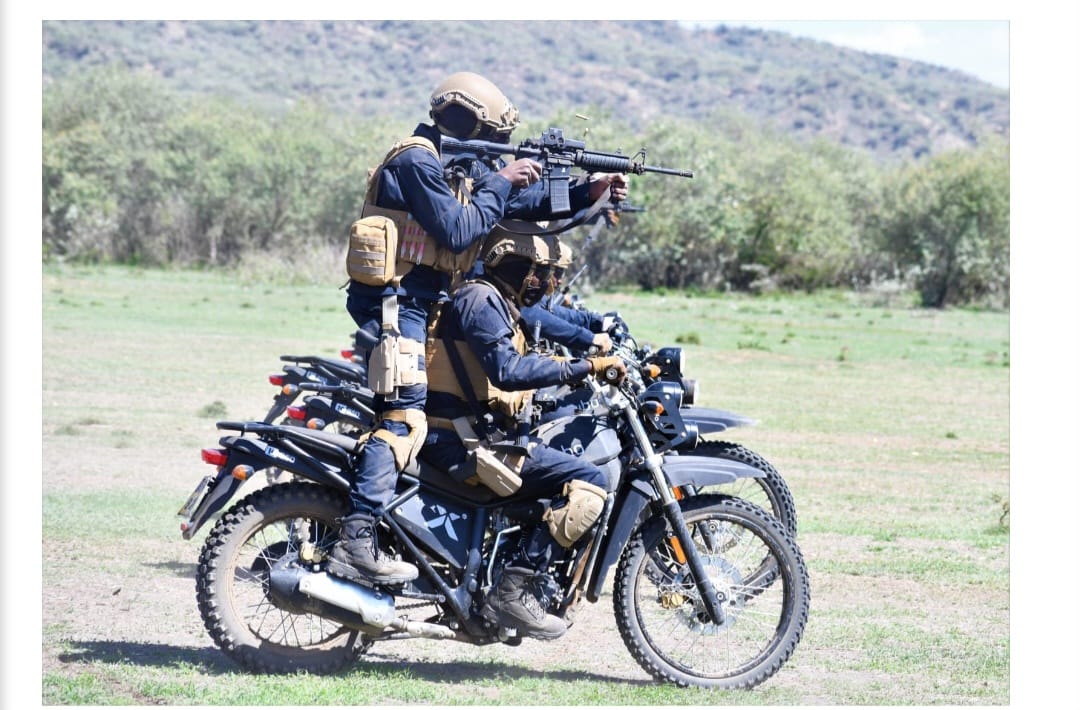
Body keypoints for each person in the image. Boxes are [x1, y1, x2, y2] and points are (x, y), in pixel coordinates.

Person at [330, 71, 628, 585]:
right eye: (492, 139)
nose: (496, 152)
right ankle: (355, 541)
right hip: (394, 302)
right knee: (403, 419)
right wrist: (501, 178)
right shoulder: (415, 161)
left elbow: (517, 208)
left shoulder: (452, 170)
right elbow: (459, 228)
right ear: (466, 122)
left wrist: (588, 194)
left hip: (420, 303)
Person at [421, 231, 627, 639]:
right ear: (518, 269)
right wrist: (582, 367)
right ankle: (513, 590)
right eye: (539, 273)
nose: (546, 283)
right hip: (461, 440)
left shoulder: (496, 301)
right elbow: (507, 371)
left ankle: (508, 571)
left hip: (476, 433)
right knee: (592, 481)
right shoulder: (480, 301)